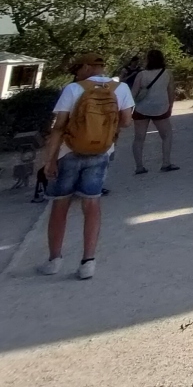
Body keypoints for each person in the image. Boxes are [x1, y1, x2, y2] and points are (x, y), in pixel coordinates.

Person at [39, 52, 134, 279]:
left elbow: (59, 127)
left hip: (68, 152)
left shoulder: (73, 89)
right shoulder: (120, 89)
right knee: (92, 204)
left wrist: (49, 160)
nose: (76, 73)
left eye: (77, 69)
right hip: (100, 152)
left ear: (87, 67)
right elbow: (126, 122)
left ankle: (54, 260)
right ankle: (88, 262)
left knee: (60, 206)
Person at [130, 48, 178, 174]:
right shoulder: (167, 73)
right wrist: (170, 106)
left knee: (139, 138)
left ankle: (139, 167)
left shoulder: (141, 74)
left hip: (141, 108)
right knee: (167, 135)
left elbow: (133, 93)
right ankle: (166, 163)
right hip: (160, 108)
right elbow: (171, 91)